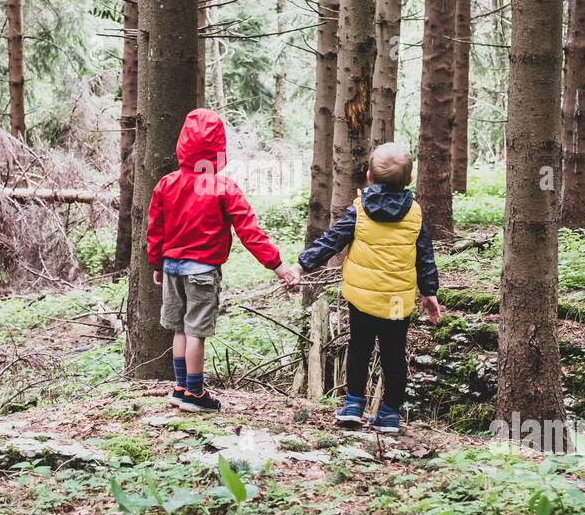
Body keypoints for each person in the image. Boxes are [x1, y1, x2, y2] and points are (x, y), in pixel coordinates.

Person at [146, 109, 296, 413]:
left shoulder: (167, 184)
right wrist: (278, 266)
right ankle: (195, 394)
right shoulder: (223, 188)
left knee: (179, 329)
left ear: (182, 146)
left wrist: (157, 263)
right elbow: (249, 232)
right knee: (195, 333)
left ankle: (179, 388)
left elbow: (155, 229)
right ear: (218, 151)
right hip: (202, 272)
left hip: (173, 268)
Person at [285, 142, 441, 434]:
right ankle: (390, 415)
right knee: (393, 354)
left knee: (359, 347)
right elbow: (425, 256)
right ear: (409, 180)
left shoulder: (359, 210)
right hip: (397, 300)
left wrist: (301, 266)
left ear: (369, 176)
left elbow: (332, 241)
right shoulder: (415, 213)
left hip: (362, 297)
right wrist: (429, 291)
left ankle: (354, 406)